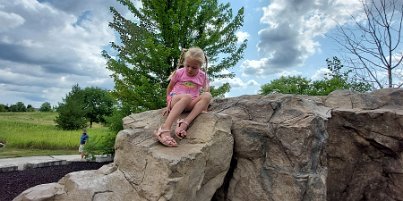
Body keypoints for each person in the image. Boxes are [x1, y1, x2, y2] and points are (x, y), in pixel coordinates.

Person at [155, 47, 212, 147]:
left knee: (207, 95)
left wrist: (204, 106)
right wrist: (168, 103)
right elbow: (169, 89)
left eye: (194, 68)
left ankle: (184, 124)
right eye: (187, 66)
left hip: (190, 103)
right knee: (187, 97)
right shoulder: (179, 72)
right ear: (184, 63)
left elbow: (206, 91)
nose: (190, 69)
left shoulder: (203, 76)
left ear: (200, 66)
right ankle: (165, 128)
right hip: (177, 100)